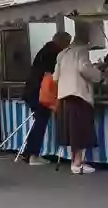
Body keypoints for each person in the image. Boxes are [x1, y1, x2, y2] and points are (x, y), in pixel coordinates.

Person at [54, 30, 101, 175]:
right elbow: (84, 68)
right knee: (80, 130)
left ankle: (75, 161)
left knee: (72, 131)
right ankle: (77, 164)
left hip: (64, 96)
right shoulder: (81, 51)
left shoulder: (62, 54)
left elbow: (55, 77)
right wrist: (99, 75)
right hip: (79, 95)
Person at [21, 31, 71, 165]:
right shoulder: (54, 54)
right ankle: (32, 154)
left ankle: (29, 153)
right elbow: (55, 74)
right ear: (62, 42)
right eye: (67, 43)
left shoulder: (45, 50)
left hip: (33, 90)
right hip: (40, 93)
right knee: (40, 122)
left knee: (39, 121)